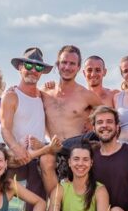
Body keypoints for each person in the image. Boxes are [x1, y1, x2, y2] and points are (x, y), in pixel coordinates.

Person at [41, 45, 106, 192]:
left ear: (78, 68)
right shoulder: (44, 92)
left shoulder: (86, 95)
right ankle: (54, 208)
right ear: (57, 65)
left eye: (72, 64)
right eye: (64, 62)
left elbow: (108, 118)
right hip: (54, 150)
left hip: (77, 151)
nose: (67, 67)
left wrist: (92, 124)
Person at [0, 47, 59, 202]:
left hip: (37, 160)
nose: (33, 70)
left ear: (42, 72)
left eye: (38, 67)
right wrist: (16, 148)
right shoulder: (11, 96)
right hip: (15, 159)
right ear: (20, 67)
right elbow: (5, 128)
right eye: (28, 65)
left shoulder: (42, 96)